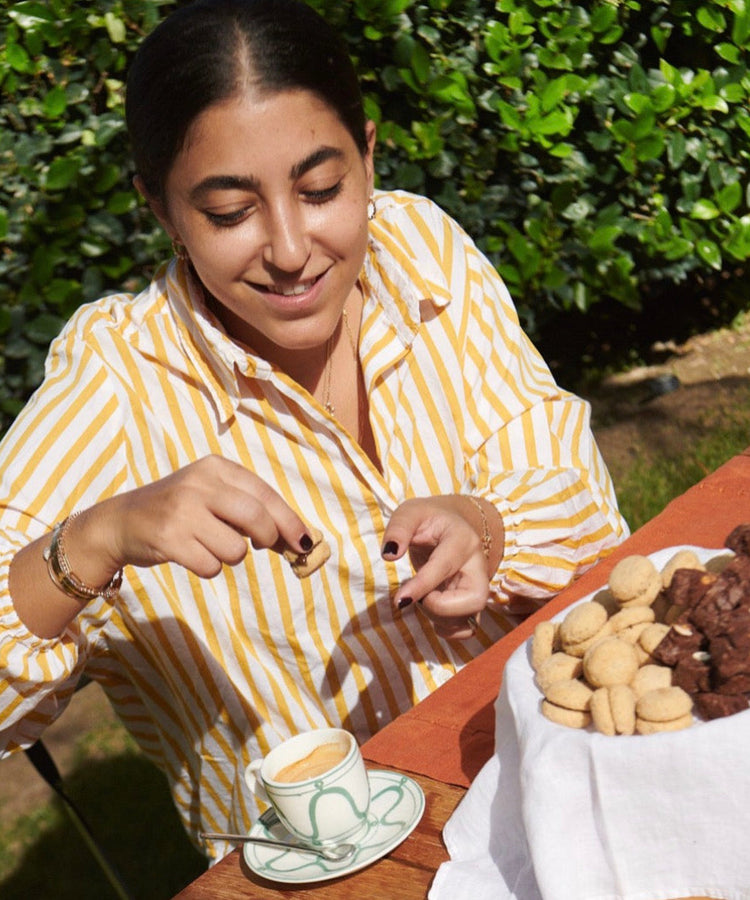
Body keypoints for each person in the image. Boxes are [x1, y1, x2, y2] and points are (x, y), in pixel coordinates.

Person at [0, 0, 628, 862]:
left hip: (576, 781)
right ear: (159, 209)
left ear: (368, 155)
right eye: (229, 212)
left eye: (323, 189)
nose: (292, 248)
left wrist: (487, 527)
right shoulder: (115, 387)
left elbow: (589, 517)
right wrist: (96, 538)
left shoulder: (421, 252)